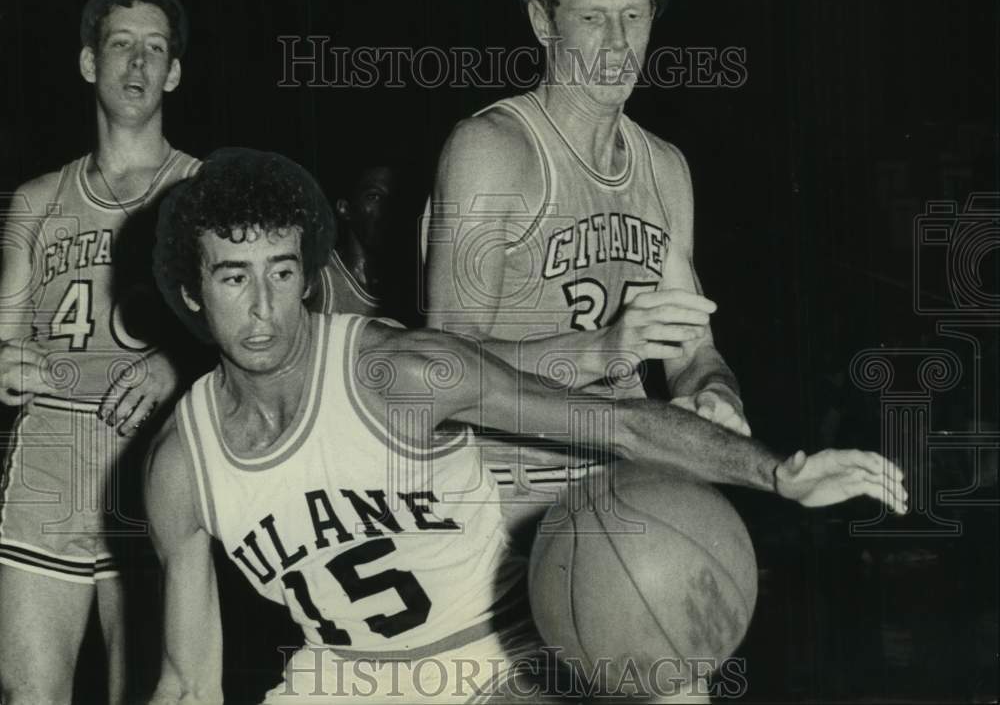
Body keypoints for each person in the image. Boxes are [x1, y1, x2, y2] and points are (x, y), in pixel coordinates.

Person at [145, 148, 906, 703]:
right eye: (234, 278)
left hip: (494, 657)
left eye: (283, 271)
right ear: (191, 292)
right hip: (341, 681)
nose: (265, 306)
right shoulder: (185, 463)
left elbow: (623, 427)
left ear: (308, 276)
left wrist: (775, 472)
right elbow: (186, 680)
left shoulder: (398, 373)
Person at [425, 0, 746, 540]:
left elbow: (693, 354)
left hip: (626, 499)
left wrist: (716, 398)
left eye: (634, 14)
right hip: (503, 514)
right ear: (545, 22)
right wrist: (601, 348)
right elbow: (442, 373)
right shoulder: (493, 150)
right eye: (593, 17)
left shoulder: (664, 168)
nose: (618, 43)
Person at [0, 0, 200, 705]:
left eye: (155, 50)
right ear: (90, 63)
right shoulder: (35, 200)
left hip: (154, 464)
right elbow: (2, 335)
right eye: (122, 46)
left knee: (147, 694)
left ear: (174, 73)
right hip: (48, 465)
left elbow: (258, 336)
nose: (138, 65)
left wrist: (175, 360)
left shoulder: (201, 190)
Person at [312, 164, 399, 318]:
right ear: (345, 209)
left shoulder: (407, 282)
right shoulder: (319, 278)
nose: (388, 208)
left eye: (395, 197)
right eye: (374, 197)